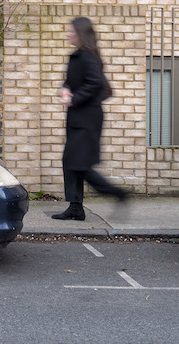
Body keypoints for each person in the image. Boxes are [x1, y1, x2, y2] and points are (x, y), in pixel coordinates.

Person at [50, 16, 130, 220]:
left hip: (88, 119)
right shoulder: (76, 56)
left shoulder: (88, 57)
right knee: (70, 161)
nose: (68, 33)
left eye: (71, 31)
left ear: (81, 34)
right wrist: (65, 90)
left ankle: (118, 194)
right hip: (77, 117)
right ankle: (75, 207)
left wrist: (74, 98)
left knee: (79, 164)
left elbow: (95, 83)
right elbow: (70, 82)